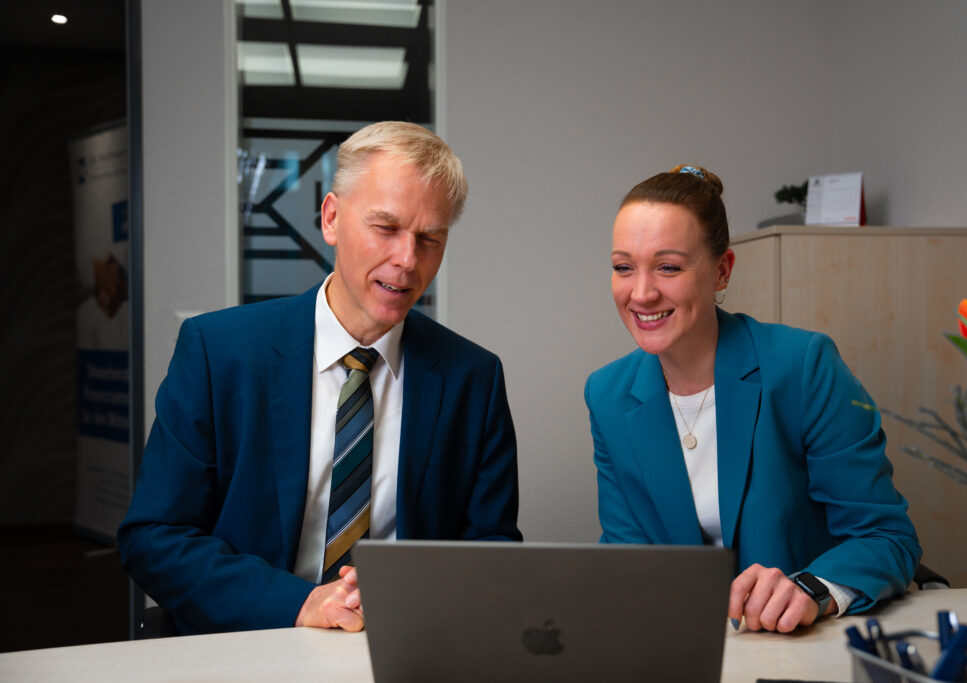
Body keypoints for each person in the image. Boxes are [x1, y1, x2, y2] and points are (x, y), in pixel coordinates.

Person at [118, 121, 521, 636]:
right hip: (251, 644)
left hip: (401, 645)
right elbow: (153, 536)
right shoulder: (219, 352)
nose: (406, 260)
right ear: (331, 218)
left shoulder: (473, 377)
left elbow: (493, 550)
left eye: (429, 238)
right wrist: (300, 604)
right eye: (386, 228)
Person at [585, 164, 920, 633]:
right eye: (624, 268)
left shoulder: (803, 365)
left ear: (721, 270)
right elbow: (628, 559)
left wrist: (812, 590)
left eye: (668, 267)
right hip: (687, 646)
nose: (641, 293)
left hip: (803, 644)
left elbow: (887, 537)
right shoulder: (607, 395)